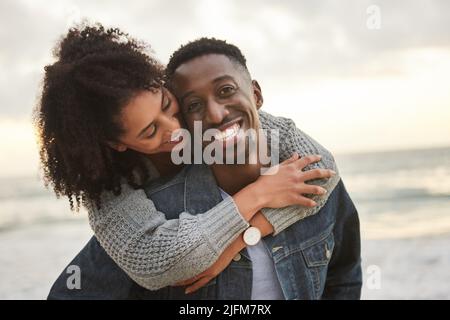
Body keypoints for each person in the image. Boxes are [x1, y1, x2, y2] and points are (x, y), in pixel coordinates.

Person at [35, 24, 340, 299]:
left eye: (167, 105)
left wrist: (239, 242)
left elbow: (321, 169)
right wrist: (259, 193)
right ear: (118, 143)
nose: (174, 128)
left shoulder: (208, 119)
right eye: (151, 131)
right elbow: (158, 263)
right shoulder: (108, 189)